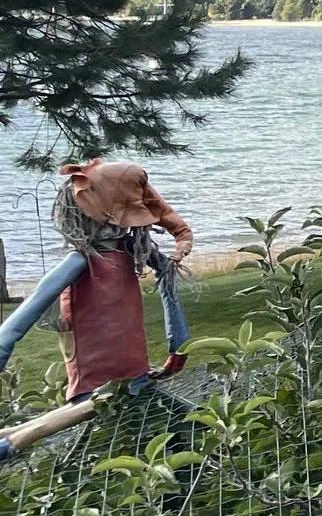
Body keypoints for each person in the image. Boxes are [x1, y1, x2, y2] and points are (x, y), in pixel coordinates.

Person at [0, 160, 193, 413]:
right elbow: (33, 306)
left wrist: (178, 348)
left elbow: (166, 276)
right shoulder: (81, 261)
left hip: (136, 374)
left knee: (179, 425)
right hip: (93, 388)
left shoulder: (127, 250)